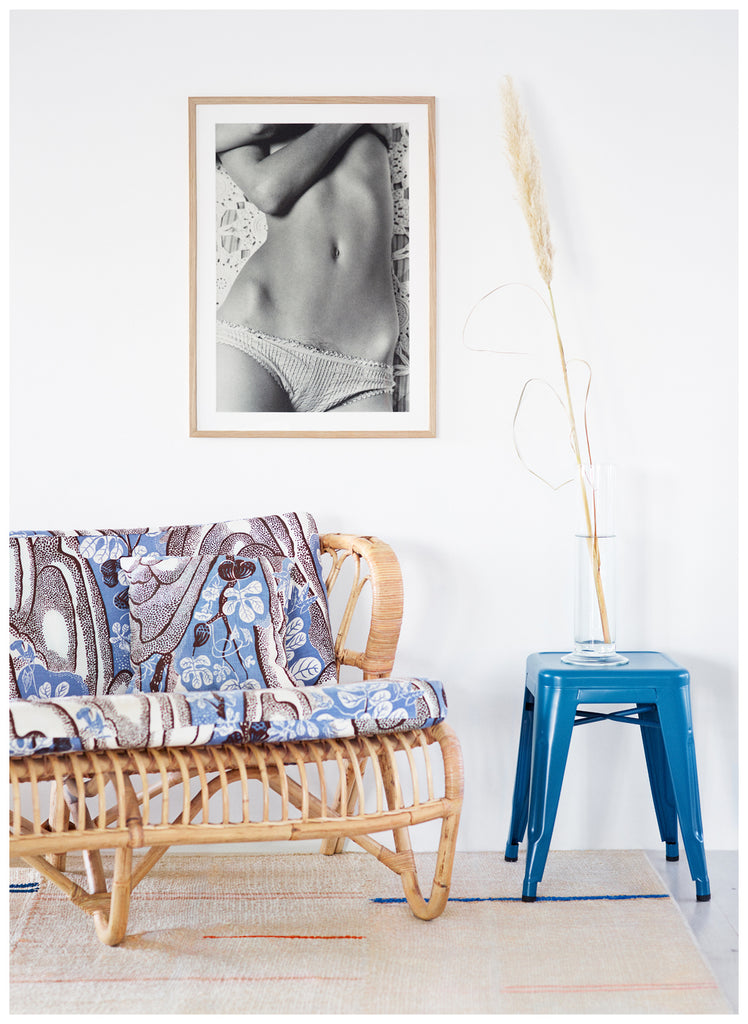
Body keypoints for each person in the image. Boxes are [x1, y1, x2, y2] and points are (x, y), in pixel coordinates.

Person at [215, 122, 400, 413]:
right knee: (233, 459)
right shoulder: (227, 120)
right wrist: (350, 116)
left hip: (362, 365)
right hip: (259, 341)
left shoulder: (364, 97)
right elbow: (267, 190)